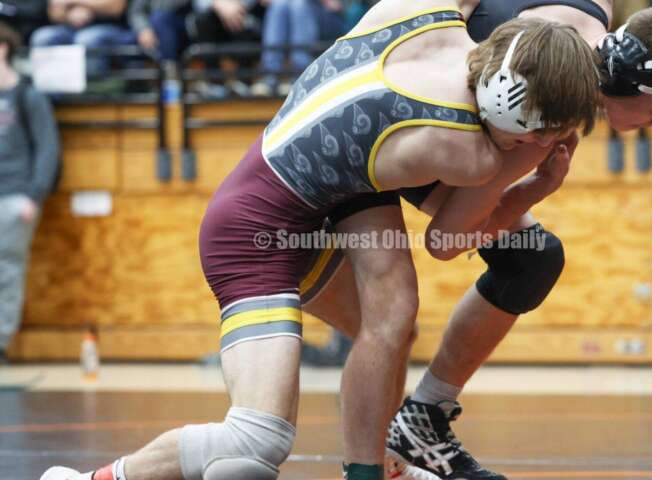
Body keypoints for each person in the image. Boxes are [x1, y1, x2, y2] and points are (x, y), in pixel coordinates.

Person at [40, 1, 600, 479]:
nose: (552, 140)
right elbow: (448, 240)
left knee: (391, 326)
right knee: (256, 442)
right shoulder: (470, 151)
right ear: (521, 113)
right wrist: (533, 185)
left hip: (317, 201)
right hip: (253, 235)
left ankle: (373, 463)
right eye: (547, 130)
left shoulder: (422, 13)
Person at [298, 2, 652, 479]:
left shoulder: (591, 13)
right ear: (631, 84)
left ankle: (417, 425)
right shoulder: (549, 113)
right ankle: (389, 446)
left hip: (366, 85)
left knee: (522, 261)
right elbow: (446, 240)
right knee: (395, 321)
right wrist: (540, 187)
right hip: (369, 136)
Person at [0, 22, 60, 363]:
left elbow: (47, 149)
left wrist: (33, 196)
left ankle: (0, 342)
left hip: (14, 198)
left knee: (7, 271)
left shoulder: (28, 97)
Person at [30, 0, 136, 74]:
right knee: (42, 37)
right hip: (70, 27)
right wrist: (69, 16)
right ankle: (53, 94)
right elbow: (53, 13)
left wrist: (79, 3)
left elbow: (116, 8)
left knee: (87, 39)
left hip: (112, 27)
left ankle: (91, 94)